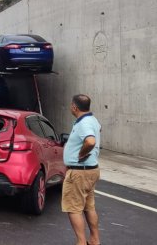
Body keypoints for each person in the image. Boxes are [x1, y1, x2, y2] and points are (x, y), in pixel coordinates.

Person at [62, 94, 101, 245]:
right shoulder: (93, 120)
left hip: (79, 172)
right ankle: (94, 240)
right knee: (88, 206)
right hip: (91, 170)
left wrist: (81, 153)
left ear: (74, 107)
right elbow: (97, 132)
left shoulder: (84, 123)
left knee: (74, 208)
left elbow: (90, 141)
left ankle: (81, 242)